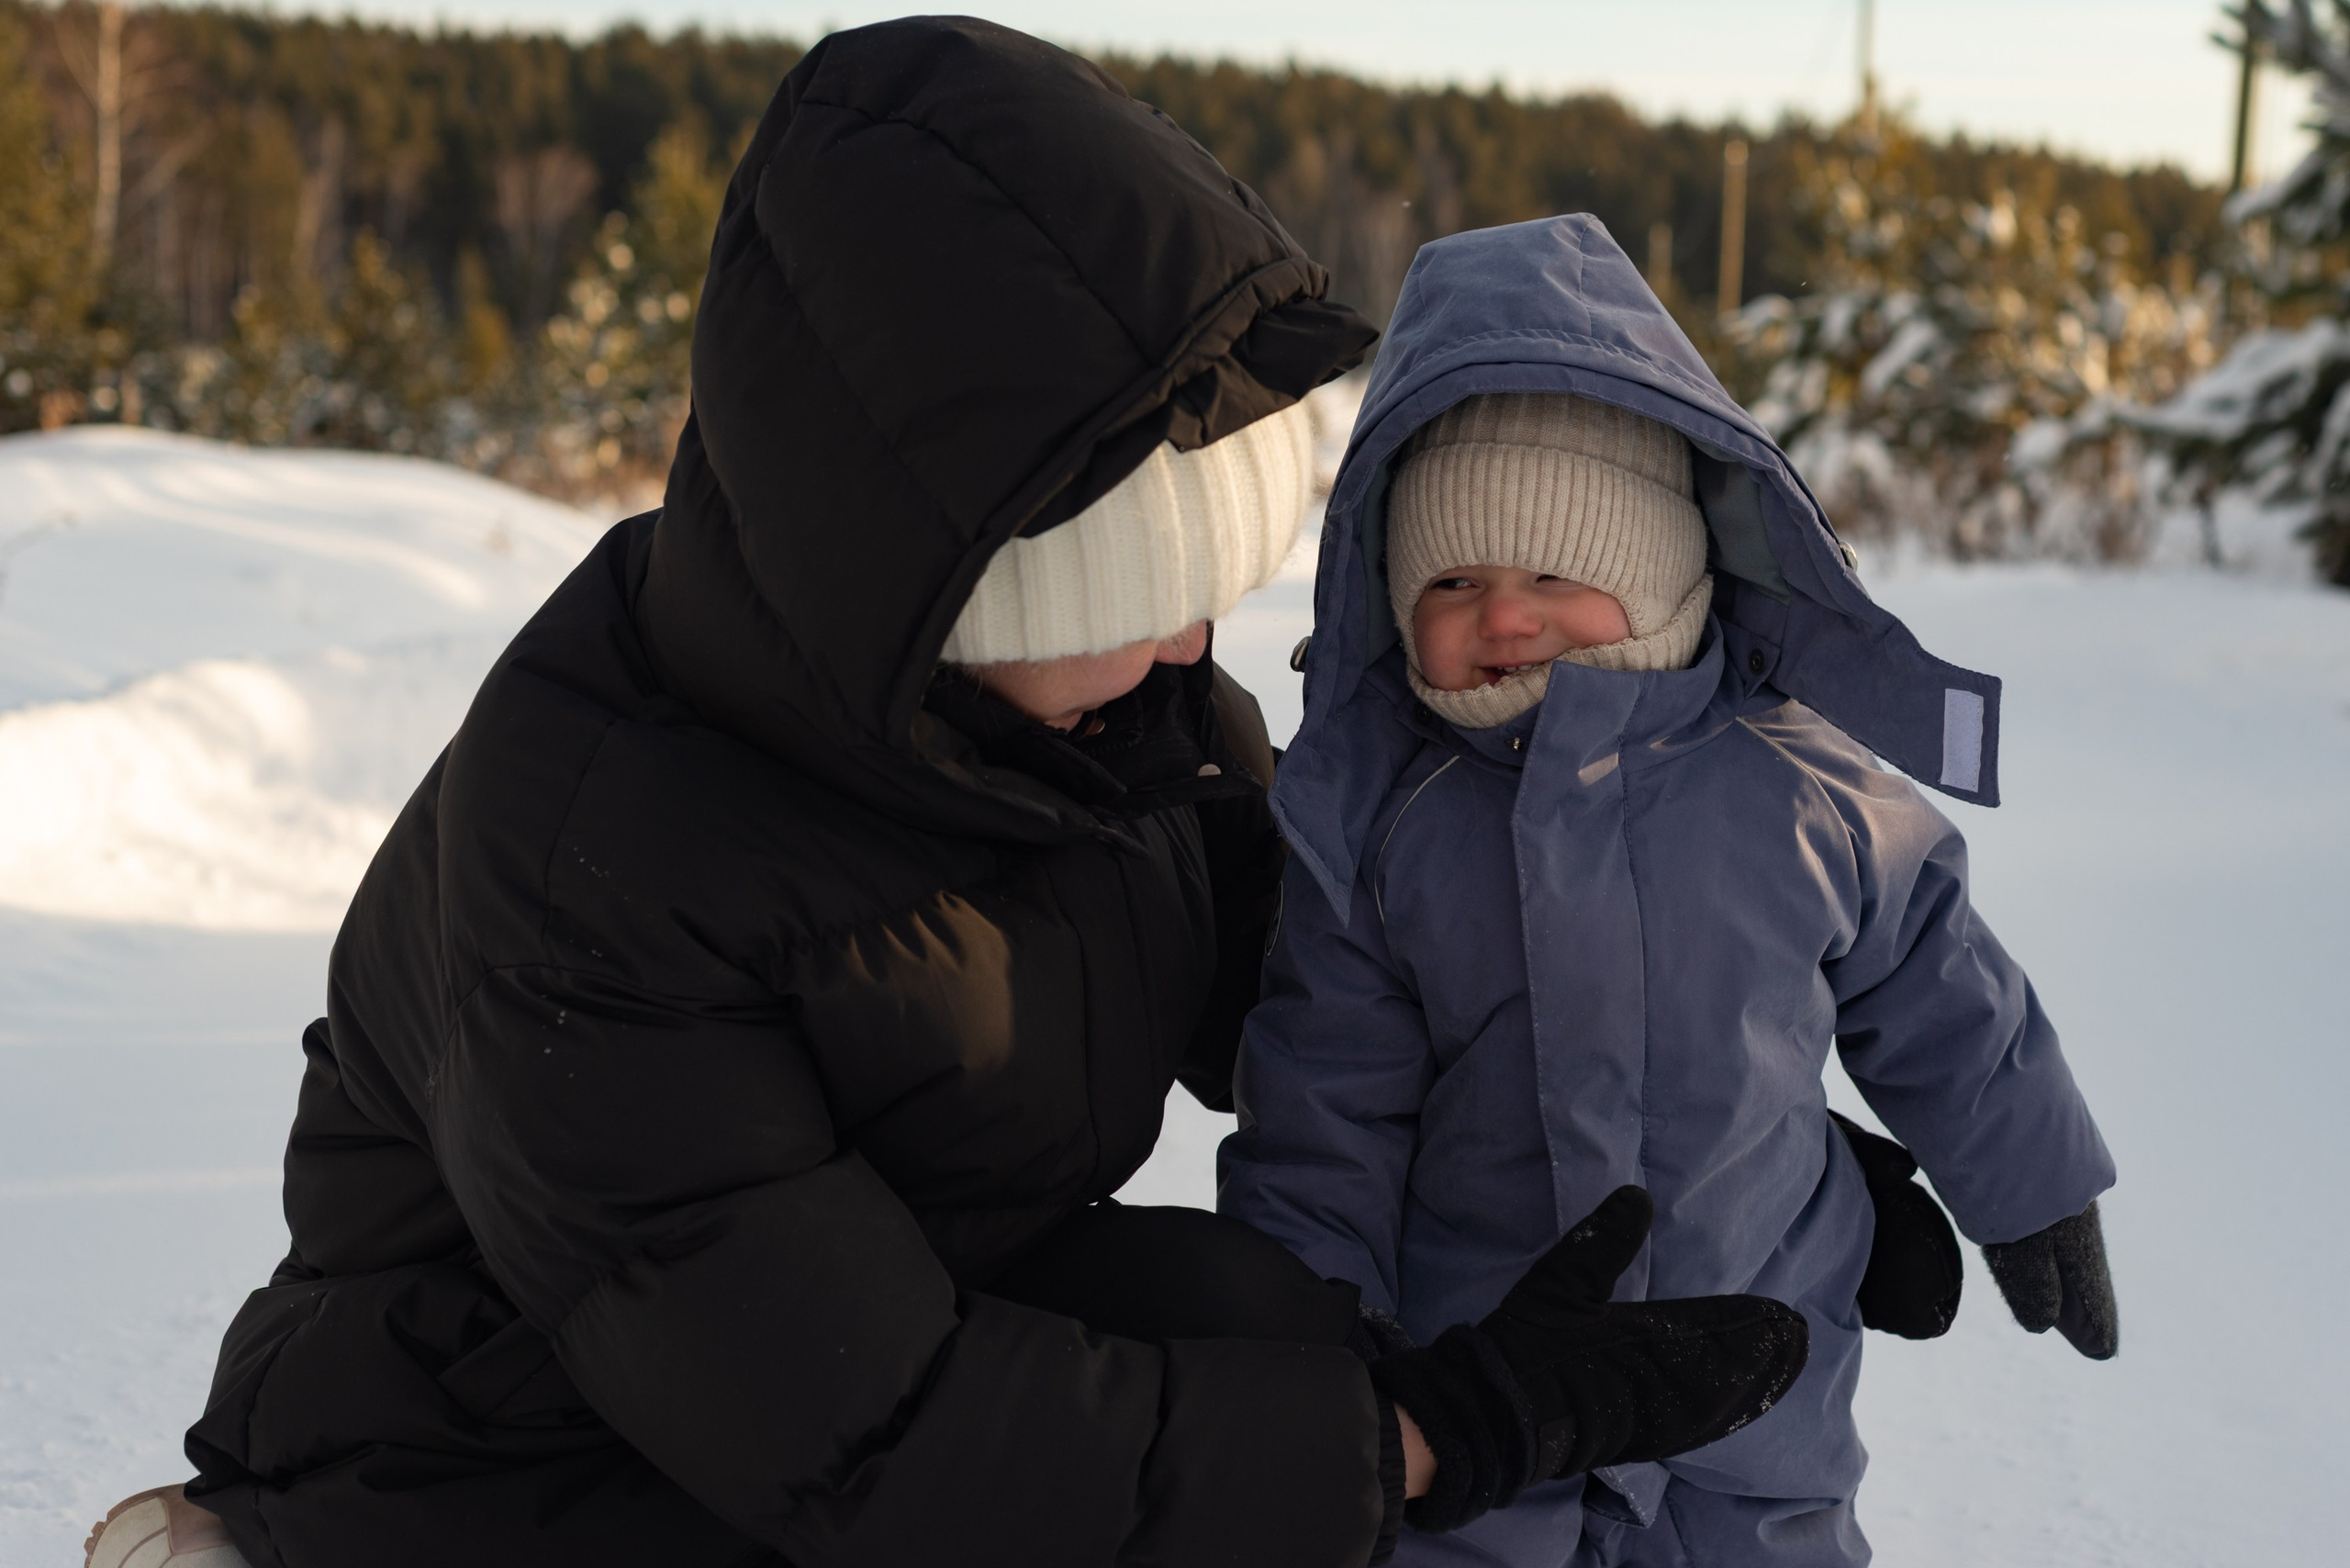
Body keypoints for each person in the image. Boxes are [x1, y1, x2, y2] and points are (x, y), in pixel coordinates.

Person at [84, 24, 1809, 1568]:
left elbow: (1359, 984)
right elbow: (875, 1436)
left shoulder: (1100, 713)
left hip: (880, 1306)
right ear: (947, 591)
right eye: (1130, 610)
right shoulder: (590, 874)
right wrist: (1442, 1440)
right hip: (512, 1436)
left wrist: (1715, 1122)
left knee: (1258, 1329)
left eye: (1211, 590)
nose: (1191, 652)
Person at [1219, 214, 2122, 1567]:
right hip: (1481, 1385)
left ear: (1655, 568)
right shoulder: (1384, 828)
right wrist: (1320, 1350)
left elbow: (1938, 983)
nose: (1504, 615)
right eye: (1454, 581)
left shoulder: (1795, 785)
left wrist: (2029, 1178)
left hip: (1756, 1377)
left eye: (1554, 573)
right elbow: (1323, 1112)